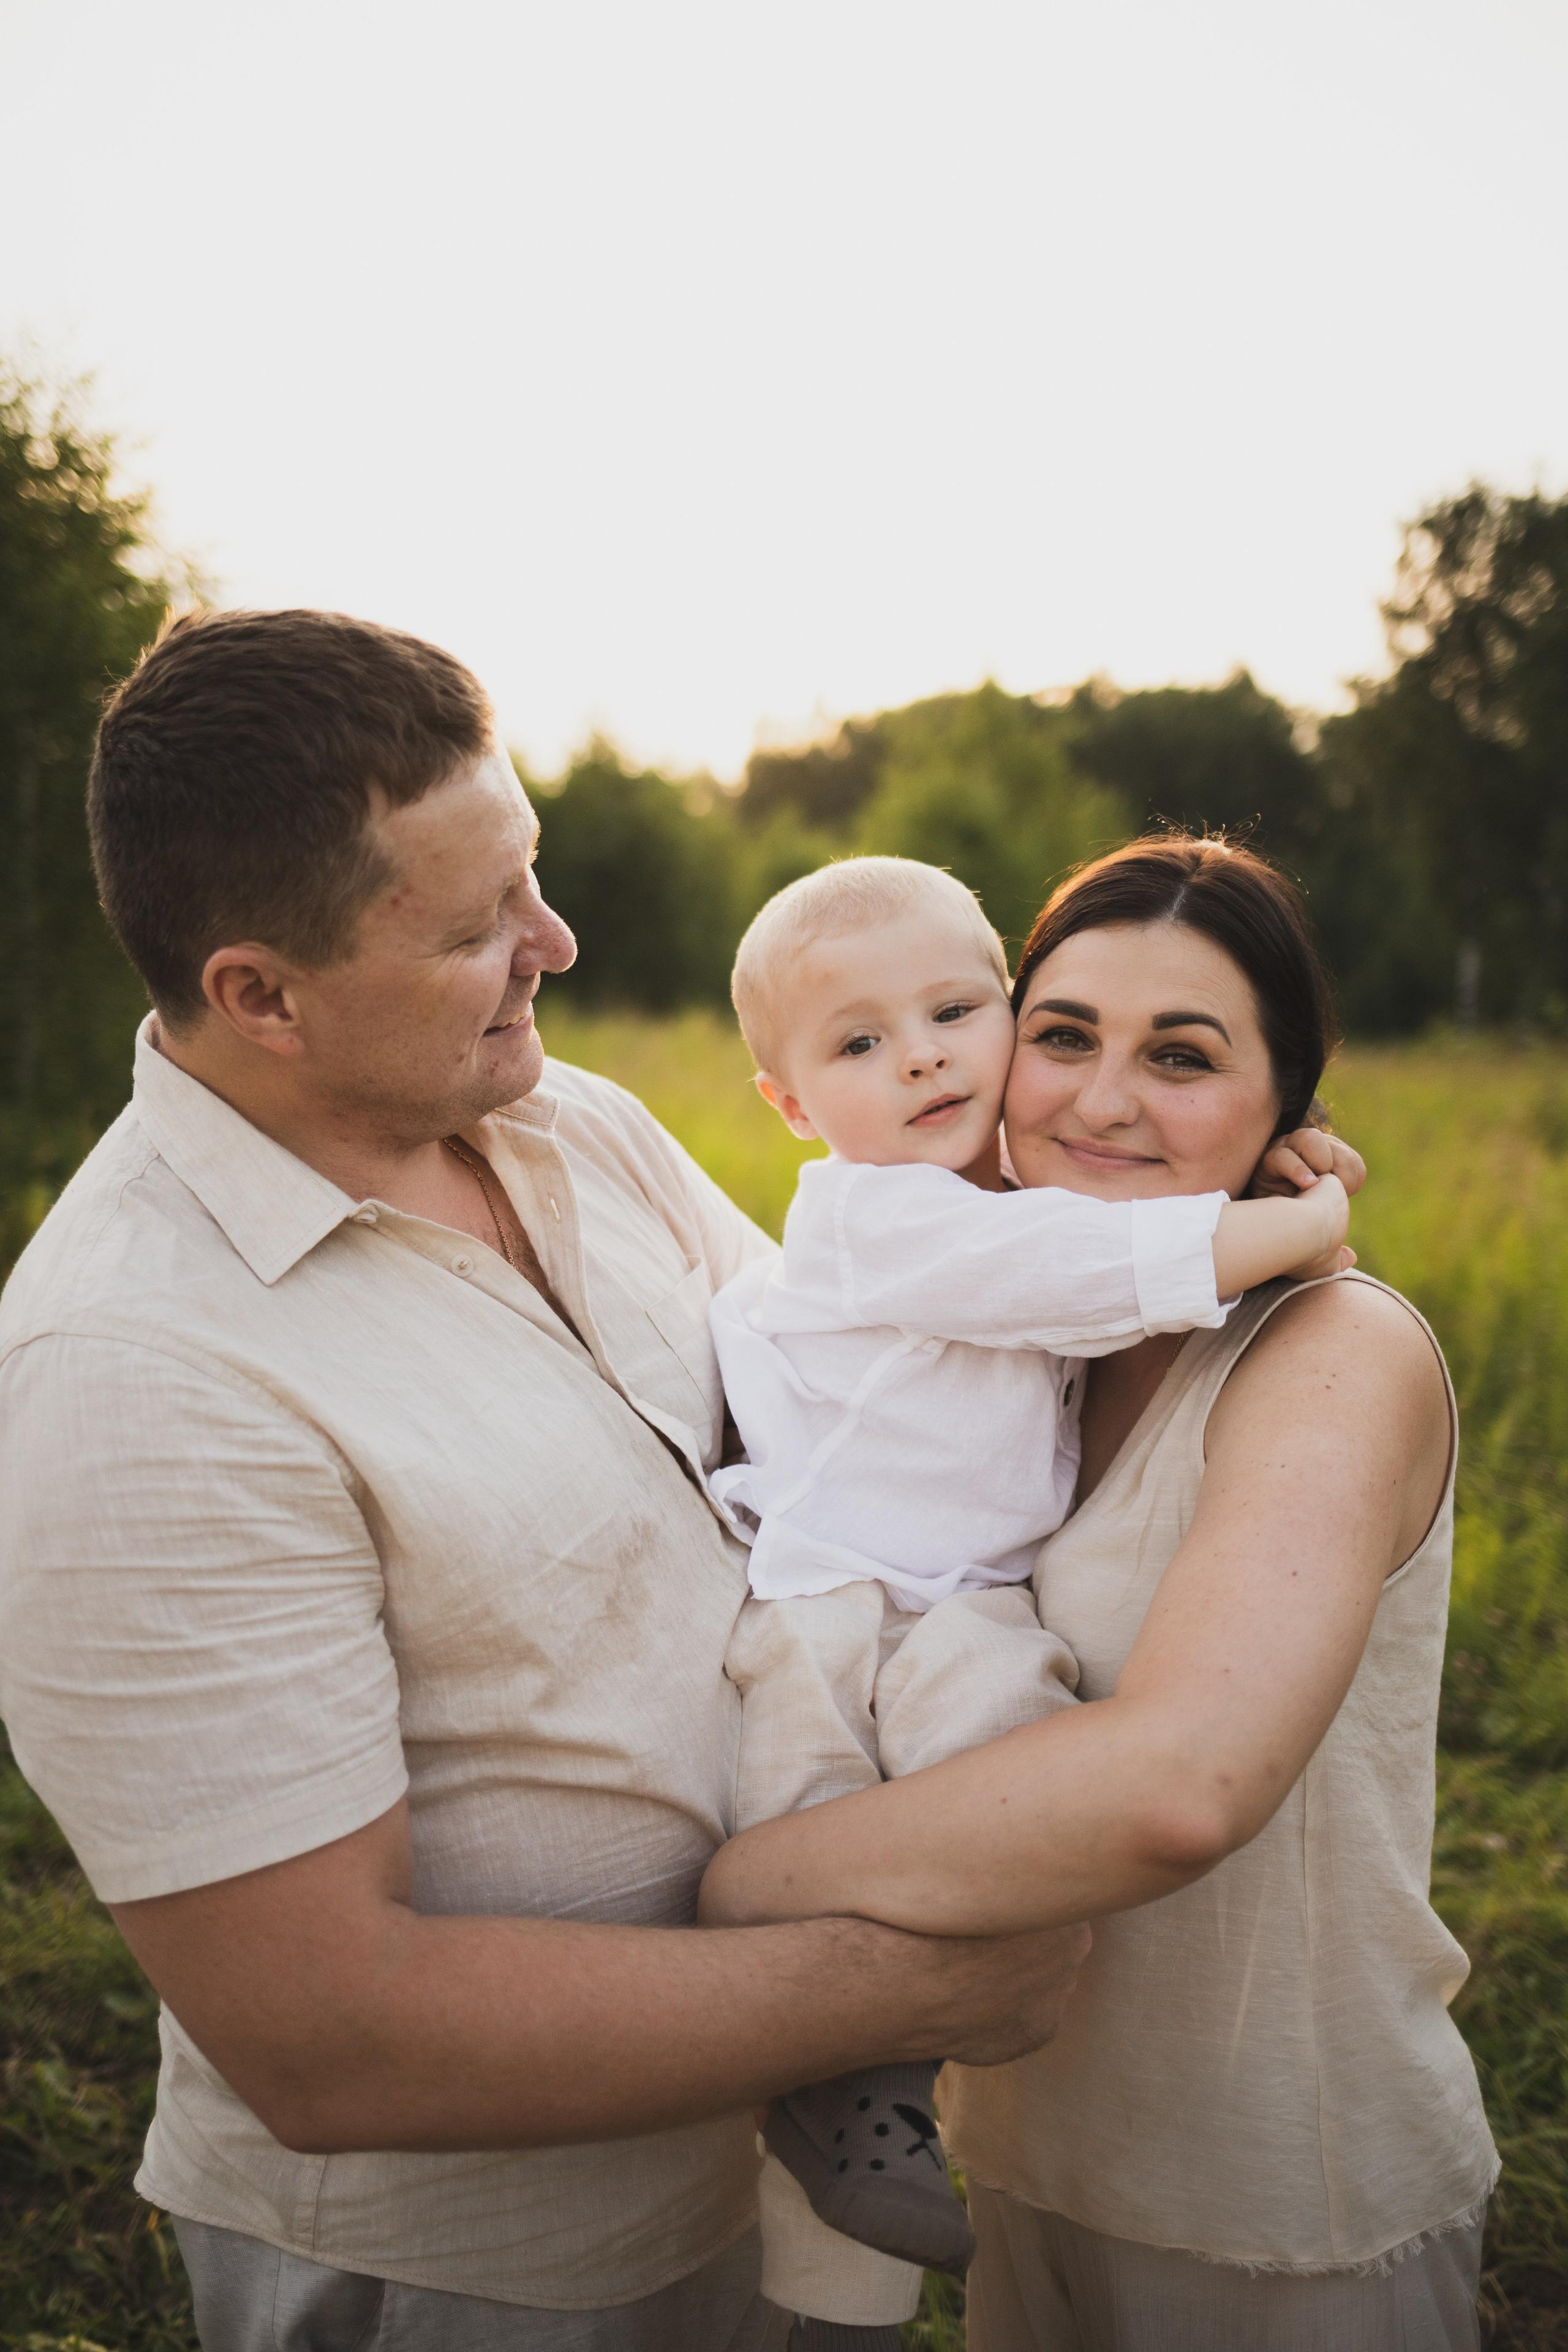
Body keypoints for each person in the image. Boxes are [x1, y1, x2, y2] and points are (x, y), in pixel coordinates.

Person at [0, 608, 1089, 2352]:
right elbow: (326, 2032)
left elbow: (880, 1385)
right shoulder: (132, 1373)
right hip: (493, 2273)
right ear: (257, 994)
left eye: (533, 875)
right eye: (474, 926)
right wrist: (915, 1981)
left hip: (777, 2185)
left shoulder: (565, 1120)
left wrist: (1177, 1181)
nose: (554, 943)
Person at [702, 837, 1498, 2351]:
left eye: (1182, 1057)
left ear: (1287, 1099)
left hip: (1267, 2208)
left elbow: (1181, 1785)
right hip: (1019, 2159)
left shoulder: (1330, 1352)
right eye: (1062, 1037)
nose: (1102, 1098)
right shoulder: (1029, 1330)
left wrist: (749, 1890)